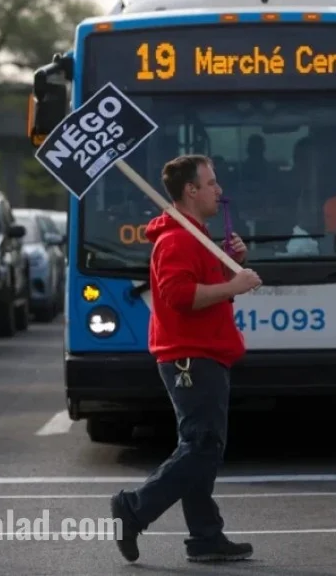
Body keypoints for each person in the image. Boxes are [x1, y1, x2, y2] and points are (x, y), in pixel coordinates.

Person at [108, 154, 262, 563]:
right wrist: (235, 283)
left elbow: (202, 287)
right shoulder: (176, 239)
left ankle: (205, 537)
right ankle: (133, 509)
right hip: (189, 356)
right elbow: (179, 297)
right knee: (201, 445)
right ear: (190, 190)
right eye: (211, 183)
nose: (219, 190)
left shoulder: (197, 236)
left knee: (201, 446)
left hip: (204, 352)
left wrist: (232, 266)